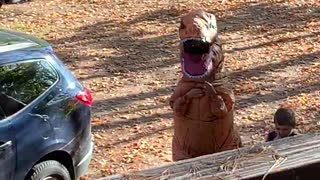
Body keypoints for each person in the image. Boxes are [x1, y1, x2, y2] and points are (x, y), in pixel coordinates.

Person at [169, 9, 242, 161]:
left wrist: (213, 96)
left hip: (221, 145)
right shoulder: (185, 86)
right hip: (187, 148)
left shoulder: (221, 85)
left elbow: (223, 111)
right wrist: (187, 97)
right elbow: (177, 108)